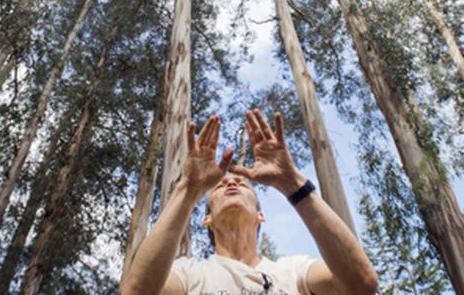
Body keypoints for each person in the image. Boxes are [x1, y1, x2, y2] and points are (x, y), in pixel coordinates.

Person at [121, 109, 378, 295]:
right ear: (206, 219)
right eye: (220, 186)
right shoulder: (190, 274)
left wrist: (291, 182)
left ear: (260, 216)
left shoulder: (294, 271)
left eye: (242, 184)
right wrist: (188, 190)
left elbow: (361, 284)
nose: (231, 183)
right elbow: (136, 291)